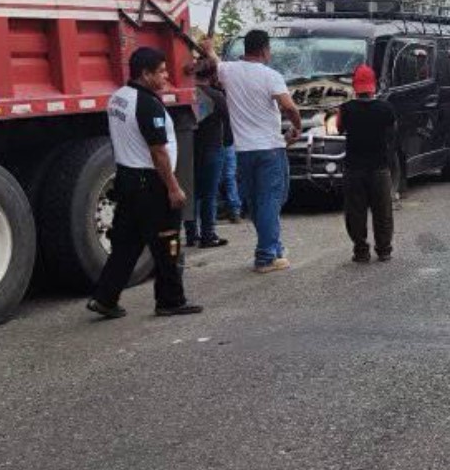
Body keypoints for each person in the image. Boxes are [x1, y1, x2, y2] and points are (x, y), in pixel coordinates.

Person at [88, 47, 202, 319]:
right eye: (160, 71)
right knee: (168, 244)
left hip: (127, 178)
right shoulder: (148, 104)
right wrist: (173, 187)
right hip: (150, 182)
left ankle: (105, 298)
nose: (165, 76)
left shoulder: (118, 98)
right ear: (145, 74)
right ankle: (171, 300)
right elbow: (158, 151)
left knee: (126, 245)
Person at [205, 31, 302, 274]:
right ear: (264, 50)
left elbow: (216, 63)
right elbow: (289, 106)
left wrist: (209, 50)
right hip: (269, 147)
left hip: (244, 151)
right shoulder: (271, 76)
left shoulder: (229, 70)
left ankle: (274, 248)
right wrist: (297, 127)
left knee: (258, 202)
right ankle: (266, 256)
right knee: (272, 199)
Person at [338, 64, 397, 263]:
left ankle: (361, 250)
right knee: (383, 211)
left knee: (355, 211)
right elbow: (392, 132)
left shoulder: (346, 109)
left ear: (355, 86)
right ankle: (384, 250)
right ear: (373, 86)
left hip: (353, 168)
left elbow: (338, 129)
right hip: (379, 167)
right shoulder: (386, 108)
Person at [185, 62, 232, 249]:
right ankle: (208, 235)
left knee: (191, 193)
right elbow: (228, 123)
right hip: (212, 148)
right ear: (212, 76)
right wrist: (228, 143)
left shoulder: (186, 95)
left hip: (188, 149)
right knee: (209, 195)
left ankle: (190, 235)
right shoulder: (217, 96)